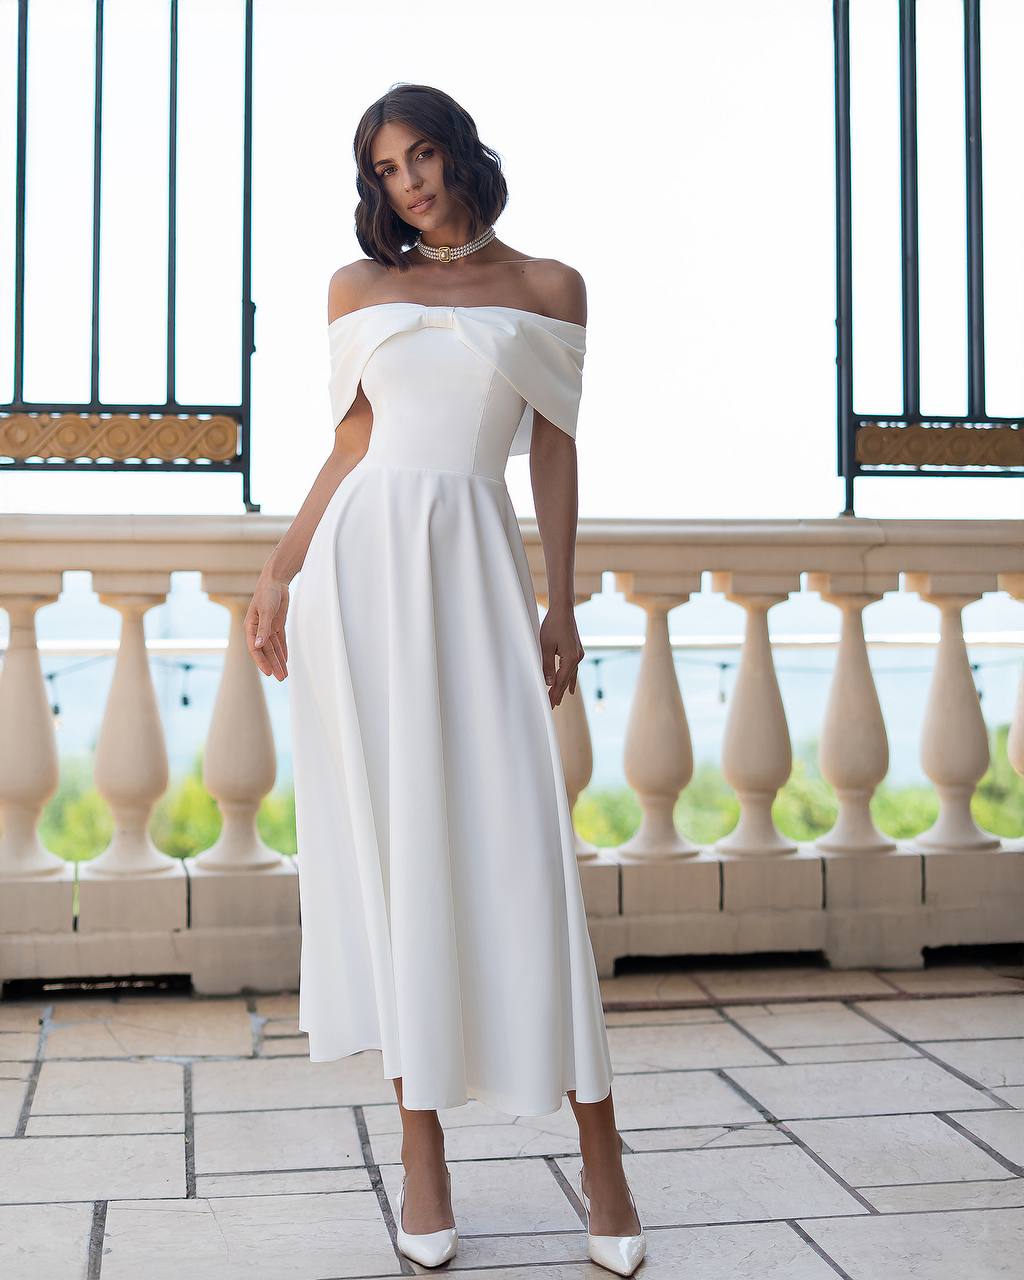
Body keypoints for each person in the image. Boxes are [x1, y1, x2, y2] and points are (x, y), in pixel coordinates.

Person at [245, 82, 646, 1276]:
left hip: (472, 573)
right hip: (358, 583)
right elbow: (354, 441)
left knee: (521, 847)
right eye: (386, 169)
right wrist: (276, 572)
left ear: (461, 153)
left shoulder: (548, 288)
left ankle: (603, 1156)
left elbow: (556, 452)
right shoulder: (359, 289)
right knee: (390, 855)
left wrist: (561, 598)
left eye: (422, 155)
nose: (409, 182)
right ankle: (421, 1154)